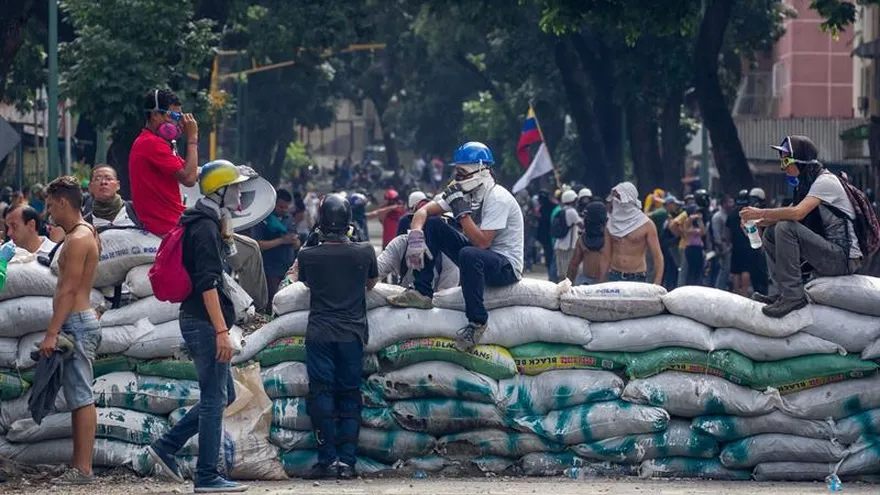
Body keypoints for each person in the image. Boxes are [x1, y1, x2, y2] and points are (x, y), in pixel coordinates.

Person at [147, 161, 249, 493]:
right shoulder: (203, 228)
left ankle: (166, 445)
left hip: (202, 321)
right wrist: (221, 331)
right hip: (204, 323)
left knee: (224, 394)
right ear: (218, 191)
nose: (239, 192)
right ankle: (206, 476)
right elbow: (207, 284)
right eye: (233, 187)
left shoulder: (209, 223)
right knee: (213, 398)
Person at [387, 141, 523, 352]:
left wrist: (462, 213)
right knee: (433, 224)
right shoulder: (461, 193)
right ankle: (422, 292)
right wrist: (415, 236)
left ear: (480, 170)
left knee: (469, 253)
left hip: (504, 266)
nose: (457, 177)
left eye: (462, 172)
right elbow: (423, 212)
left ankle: (477, 322)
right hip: (477, 257)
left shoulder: (498, 198)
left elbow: (482, 243)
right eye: (456, 171)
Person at [297, 194, 378, 479]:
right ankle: (348, 463)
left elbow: (303, 282)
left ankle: (326, 461)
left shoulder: (308, 255)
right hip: (352, 334)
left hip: (319, 332)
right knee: (350, 395)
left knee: (321, 393)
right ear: (349, 223)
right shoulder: (365, 251)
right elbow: (371, 283)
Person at [742, 135, 863, 317]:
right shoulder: (806, 185)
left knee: (785, 227)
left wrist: (760, 212)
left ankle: (793, 296)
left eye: (786, 160)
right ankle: (782, 292)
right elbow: (784, 214)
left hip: (844, 258)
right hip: (828, 253)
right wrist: (754, 222)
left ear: (800, 161)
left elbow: (797, 213)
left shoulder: (825, 182)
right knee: (771, 232)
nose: (783, 166)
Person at [38, 176, 102, 484]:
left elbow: (68, 289)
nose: (48, 212)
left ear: (63, 201)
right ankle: (79, 466)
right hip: (79, 319)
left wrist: (52, 332)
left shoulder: (77, 240)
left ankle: (83, 469)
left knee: (81, 395)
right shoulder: (85, 232)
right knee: (77, 397)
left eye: (50, 205)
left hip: (75, 321)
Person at [129, 88, 199, 235]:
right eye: (173, 116)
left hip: (172, 221)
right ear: (155, 115)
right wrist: (192, 139)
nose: (178, 123)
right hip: (166, 226)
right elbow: (189, 179)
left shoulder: (156, 143)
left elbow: (192, 170)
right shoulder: (151, 143)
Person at [600, 182, 663, 284]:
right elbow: (606, 255)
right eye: (615, 198)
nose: (617, 201)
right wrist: (601, 281)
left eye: (620, 197)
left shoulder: (646, 225)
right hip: (614, 276)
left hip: (637, 277)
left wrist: (657, 282)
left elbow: (657, 256)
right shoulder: (611, 225)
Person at [251, 189, 301, 311]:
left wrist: (294, 241)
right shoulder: (263, 219)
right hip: (270, 268)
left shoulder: (289, 219)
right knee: (273, 301)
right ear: (273, 203)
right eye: (281, 206)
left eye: (286, 207)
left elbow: (297, 245)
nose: (283, 210)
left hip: (287, 266)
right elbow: (258, 244)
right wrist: (281, 241)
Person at [82, 165, 143, 231]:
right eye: (98, 179)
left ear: (118, 185)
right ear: (90, 187)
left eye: (108, 179)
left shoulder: (137, 211)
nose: (103, 182)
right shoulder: (85, 225)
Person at [566, 199, 606, 285]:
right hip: (587, 281)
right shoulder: (582, 239)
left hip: (604, 283)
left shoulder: (610, 238)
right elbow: (574, 264)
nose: (584, 218)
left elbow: (574, 264)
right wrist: (567, 285)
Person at [553, 189, 583, 281]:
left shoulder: (562, 210)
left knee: (561, 272)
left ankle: (561, 290)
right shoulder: (572, 212)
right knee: (568, 272)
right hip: (568, 247)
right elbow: (582, 226)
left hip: (559, 245)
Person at [712, 194, 734, 290]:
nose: (732, 204)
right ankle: (719, 288)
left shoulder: (727, 215)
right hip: (722, 246)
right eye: (729, 202)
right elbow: (716, 233)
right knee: (724, 269)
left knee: (727, 269)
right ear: (724, 203)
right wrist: (721, 248)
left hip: (728, 245)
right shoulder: (718, 216)